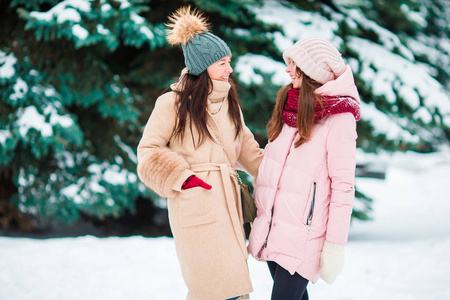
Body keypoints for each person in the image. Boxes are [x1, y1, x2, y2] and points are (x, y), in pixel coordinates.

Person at [136, 6, 263, 300]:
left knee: (233, 289)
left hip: (230, 207)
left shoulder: (231, 103)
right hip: (195, 206)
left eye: (228, 61)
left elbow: (248, 150)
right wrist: (185, 179)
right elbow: (148, 152)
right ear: (203, 66)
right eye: (222, 62)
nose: (229, 69)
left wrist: (283, 172)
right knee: (211, 289)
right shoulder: (171, 104)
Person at [248, 37, 361, 300]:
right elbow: (277, 162)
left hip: (304, 235)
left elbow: (343, 186)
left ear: (312, 72)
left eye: (294, 65)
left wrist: (335, 244)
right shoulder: (291, 106)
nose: (288, 70)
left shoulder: (339, 118)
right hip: (274, 228)